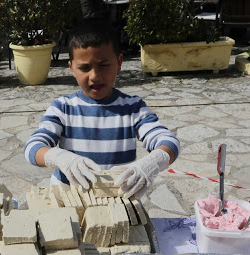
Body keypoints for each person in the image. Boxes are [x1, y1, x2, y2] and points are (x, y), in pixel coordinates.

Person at [23, 19, 180, 199]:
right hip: (69, 199)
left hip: (117, 200)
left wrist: (153, 161)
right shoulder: (63, 108)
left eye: (104, 65)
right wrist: (60, 157)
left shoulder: (133, 108)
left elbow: (169, 142)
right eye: (84, 68)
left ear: (119, 62)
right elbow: (32, 148)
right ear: (72, 68)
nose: (95, 76)